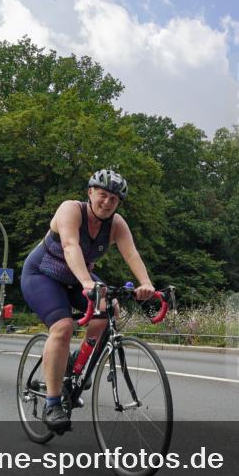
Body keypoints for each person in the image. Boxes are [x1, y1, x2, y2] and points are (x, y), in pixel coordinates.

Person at [20, 168, 155, 433]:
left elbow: (132, 254)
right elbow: (70, 246)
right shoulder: (70, 209)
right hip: (43, 274)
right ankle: (53, 403)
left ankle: (76, 363)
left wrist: (146, 283)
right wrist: (86, 282)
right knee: (62, 327)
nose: (107, 202)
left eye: (113, 199)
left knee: (110, 310)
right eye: (102, 195)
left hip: (79, 277)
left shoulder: (116, 224)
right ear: (90, 192)